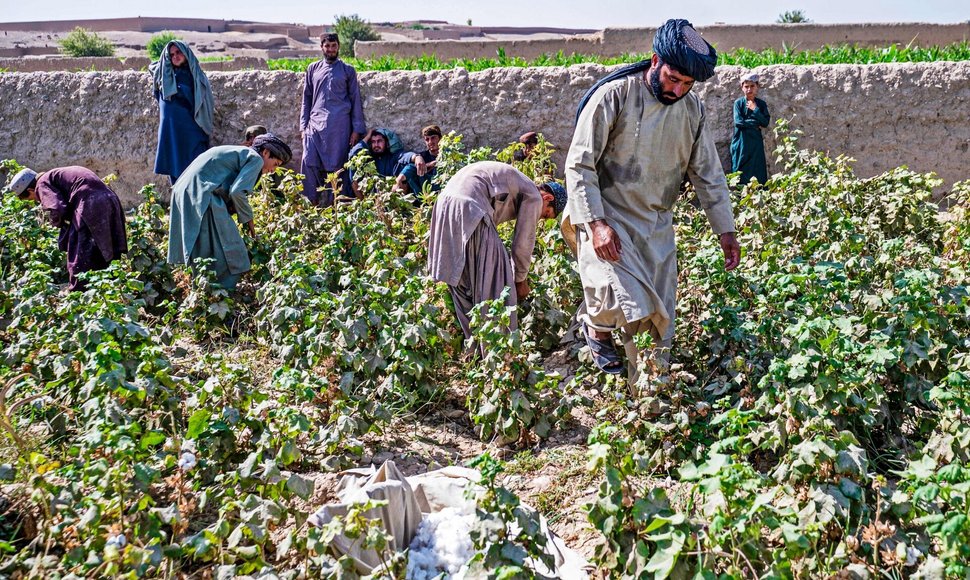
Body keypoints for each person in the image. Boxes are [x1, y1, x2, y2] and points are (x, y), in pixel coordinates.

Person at [564, 18, 741, 379]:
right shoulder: (614, 96)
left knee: (656, 323)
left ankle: (643, 396)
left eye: (687, 84)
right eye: (673, 79)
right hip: (606, 215)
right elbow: (579, 165)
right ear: (654, 60)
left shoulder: (693, 110)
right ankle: (595, 329)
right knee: (619, 298)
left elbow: (708, 173)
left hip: (655, 224)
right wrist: (597, 225)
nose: (677, 90)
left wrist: (726, 231)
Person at [428, 161, 567, 341]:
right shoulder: (535, 195)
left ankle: (474, 348)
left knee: (462, 282)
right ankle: (498, 349)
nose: (540, 218)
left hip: (444, 206)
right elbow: (523, 241)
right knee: (497, 279)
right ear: (548, 198)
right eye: (546, 214)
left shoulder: (518, 183)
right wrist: (520, 280)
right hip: (470, 205)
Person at [167, 134, 292, 290]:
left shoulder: (239, 152)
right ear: (266, 152)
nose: (273, 170)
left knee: (204, 249)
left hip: (186, 191)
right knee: (232, 253)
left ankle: (204, 293)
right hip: (203, 195)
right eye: (275, 164)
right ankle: (219, 294)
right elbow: (237, 192)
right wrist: (250, 224)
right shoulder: (256, 159)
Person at [6, 166, 127, 291]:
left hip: (91, 205)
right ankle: (113, 284)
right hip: (110, 200)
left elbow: (56, 208)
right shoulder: (55, 175)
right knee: (107, 247)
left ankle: (79, 292)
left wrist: (56, 223)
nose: (36, 200)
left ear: (31, 190)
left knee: (80, 253)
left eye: (31, 198)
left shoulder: (41, 184)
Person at [300, 33, 367, 207]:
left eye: (334, 46)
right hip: (314, 125)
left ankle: (334, 207)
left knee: (337, 167)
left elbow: (355, 100)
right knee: (309, 161)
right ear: (322, 47)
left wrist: (356, 130)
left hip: (340, 127)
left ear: (338, 47)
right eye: (327, 46)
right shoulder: (312, 69)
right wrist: (303, 127)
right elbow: (306, 99)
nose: (330, 50)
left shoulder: (347, 70)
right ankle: (311, 204)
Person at [150, 40, 214, 184]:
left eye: (178, 52)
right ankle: (179, 204)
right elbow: (153, 67)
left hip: (190, 131)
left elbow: (202, 103)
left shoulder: (196, 77)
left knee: (195, 172)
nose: (175, 56)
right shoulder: (164, 75)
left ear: (186, 53)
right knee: (175, 171)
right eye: (171, 54)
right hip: (171, 132)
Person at [730, 72, 771, 186]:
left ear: (757, 86)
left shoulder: (761, 105)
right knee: (740, 171)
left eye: (752, 86)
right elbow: (738, 122)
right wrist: (755, 123)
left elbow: (765, 122)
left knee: (758, 172)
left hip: (755, 145)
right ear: (742, 87)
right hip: (741, 143)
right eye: (746, 86)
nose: (749, 89)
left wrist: (755, 110)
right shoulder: (738, 103)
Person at [347, 128, 414, 196]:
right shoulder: (369, 158)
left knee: (407, 168)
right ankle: (364, 203)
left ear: (386, 143)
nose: (376, 145)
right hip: (372, 198)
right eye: (373, 142)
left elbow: (405, 156)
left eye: (379, 141)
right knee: (353, 167)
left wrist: (416, 157)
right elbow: (353, 154)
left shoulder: (393, 156)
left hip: (392, 196)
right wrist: (367, 137)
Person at [394, 125, 442, 199]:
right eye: (427, 139)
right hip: (424, 195)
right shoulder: (422, 157)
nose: (430, 142)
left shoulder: (448, 155)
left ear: (440, 138)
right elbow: (404, 160)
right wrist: (425, 164)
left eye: (433, 138)